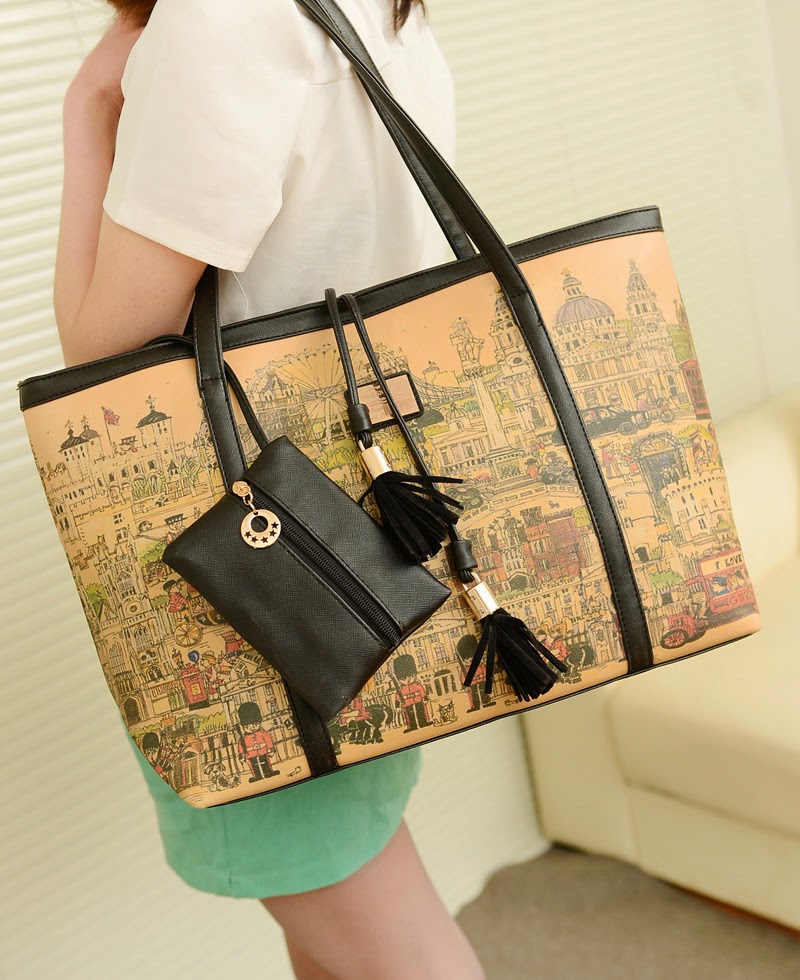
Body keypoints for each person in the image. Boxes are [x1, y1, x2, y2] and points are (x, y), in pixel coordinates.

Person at [54, 0, 486, 977]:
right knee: (342, 930)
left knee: (395, 946)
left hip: (263, 578)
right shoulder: (371, 12)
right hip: (365, 538)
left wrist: (87, 112)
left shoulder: (216, 23)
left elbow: (102, 352)